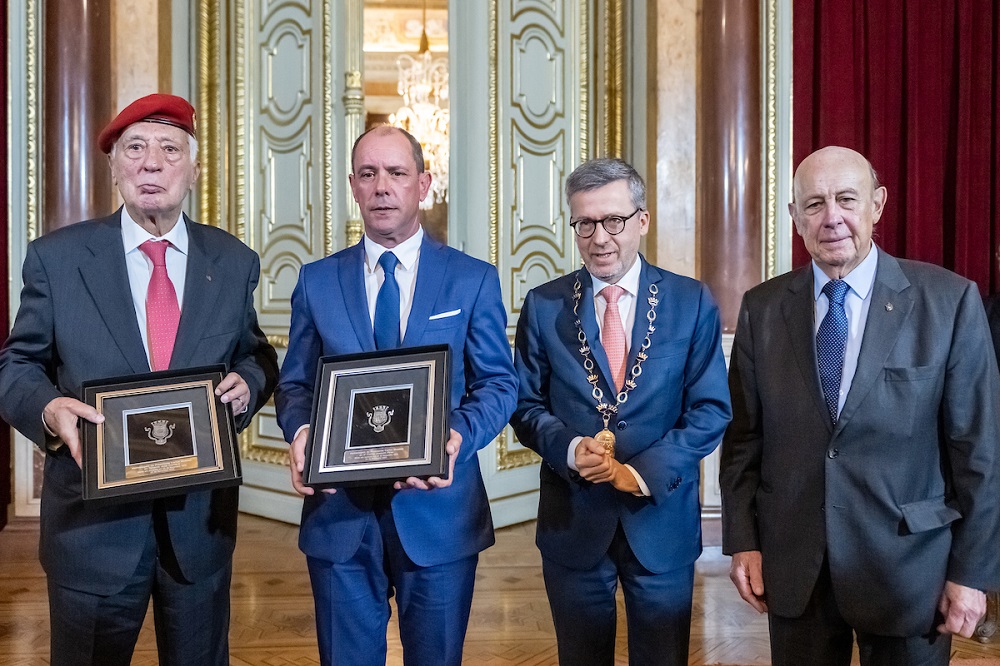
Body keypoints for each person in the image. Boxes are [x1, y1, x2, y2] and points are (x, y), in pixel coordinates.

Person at [0, 93, 279, 665]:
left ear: (194, 170)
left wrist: (249, 383)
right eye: (136, 148)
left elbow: (255, 354)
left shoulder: (233, 262)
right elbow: (16, 365)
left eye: (169, 149)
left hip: (197, 532)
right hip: (92, 531)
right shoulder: (57, 259)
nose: (152, 163)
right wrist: (49, 411)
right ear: (114, 168)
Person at [720, 145, 1000, 665]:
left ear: (878, 204)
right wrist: (742, 541)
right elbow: (743, 442)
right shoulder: (762, 308)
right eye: (814, 204)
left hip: (910, 569)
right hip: (797, 565)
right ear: (794, 217)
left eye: (847, 199)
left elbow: (979, 452)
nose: (832, 218)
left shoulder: (950, 301)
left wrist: (972, 573)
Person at [275, 125, 517, 666]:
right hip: (340, 516)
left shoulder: (471, 280)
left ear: (423, 184)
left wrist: (456, 438)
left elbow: (499, 384)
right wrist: (302, 431)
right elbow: (294, 383)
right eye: (368, 174)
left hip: (438, 515)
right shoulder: (316, 281)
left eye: (396, 173)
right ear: (354, 189)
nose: (382, 186)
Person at [510, 158, 732, 665]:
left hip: (660, 519)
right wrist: (568, 447)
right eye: (584, 223)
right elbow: (524, 404)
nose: (599, 238)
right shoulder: (544, 305)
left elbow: (709, 410)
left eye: (614, 220)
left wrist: (636, 473)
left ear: (642, 220)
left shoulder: (690, 301)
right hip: (574, 520)